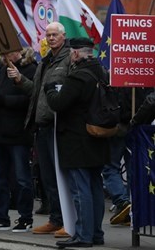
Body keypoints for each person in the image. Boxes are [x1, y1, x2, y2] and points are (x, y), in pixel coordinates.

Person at [44, 37, 110, 248]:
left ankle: (83, 235)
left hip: (77, 140)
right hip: (97, 138)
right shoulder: (102, 72)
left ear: (74, 53)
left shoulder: (78, 77)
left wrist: (51, 89)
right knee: (95, 187)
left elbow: (58, 103)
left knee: (81, 190)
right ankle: (96, 234)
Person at [8, 22, 70, 237]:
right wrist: (19, 79)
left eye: (55, 35)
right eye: (48, 35)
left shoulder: (69, 59)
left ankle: (69, 221)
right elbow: (35, 91)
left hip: (58, 126)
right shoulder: (46, 61)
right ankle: (55, 219)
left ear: (63, 36)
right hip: (41, 126)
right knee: (48, 177)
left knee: (62, 176)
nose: (51, 38)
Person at [0, 48, 37, 232]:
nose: (4, 56)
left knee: (22, 179)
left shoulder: (30, 69)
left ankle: (25, 217)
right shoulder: (3, 70)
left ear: (18, 52)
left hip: (18, 132)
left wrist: (2, 100)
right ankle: (1, 216)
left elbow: (29, 100)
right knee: (0, 178)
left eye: (8, 52)